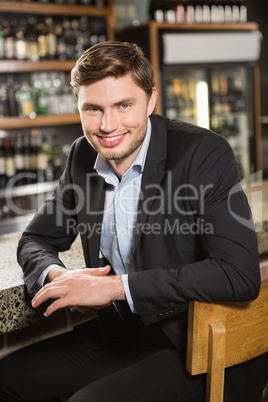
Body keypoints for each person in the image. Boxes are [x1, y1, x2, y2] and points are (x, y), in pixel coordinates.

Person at [0, 41, 267, 402]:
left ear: (151, 101)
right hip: (119, 336)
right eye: (93, 109)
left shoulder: (203, 153)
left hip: (195, 346)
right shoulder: (82, 155)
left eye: (123, 105)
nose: (107, 125)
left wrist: (114, 288)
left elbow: (238, 274)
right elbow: (35, 239)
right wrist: (60, 277)